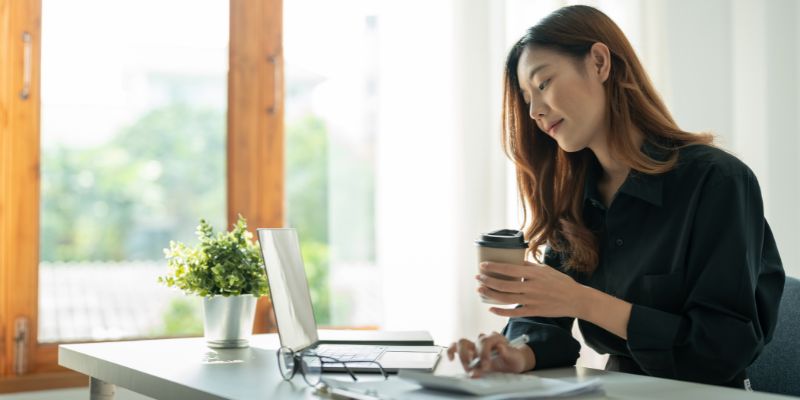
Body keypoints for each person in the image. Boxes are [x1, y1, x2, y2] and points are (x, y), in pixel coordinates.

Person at [447, 5, 785, 389]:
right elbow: (547, 320)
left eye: (542, 84)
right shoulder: (576, 199)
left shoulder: (717, 181)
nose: (535, 111)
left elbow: (720, 349)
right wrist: (517, 353)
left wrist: (582, 301)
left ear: (599, 62)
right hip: (616, 390)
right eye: (527, 100)